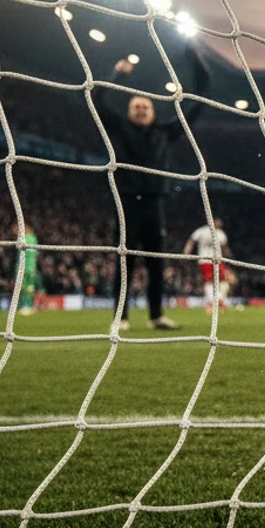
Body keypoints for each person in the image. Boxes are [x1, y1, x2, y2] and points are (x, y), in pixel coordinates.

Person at [94, 45, 209, 330]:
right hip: (128, 202)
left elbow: (200, 98)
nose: (141, 110)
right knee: (125, 261)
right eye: (136, 107)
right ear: (130, 111)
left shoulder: (165, 132)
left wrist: (195, 59)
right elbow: (96, 98)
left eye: (146, 106)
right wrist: (117, 75)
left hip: (156, 203)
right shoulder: (120, 128)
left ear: (154, 111)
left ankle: (156, 316)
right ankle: (120, 318)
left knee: (156, 263)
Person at [183, 217, 231, 314]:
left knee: (220, 281)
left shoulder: (217, 233)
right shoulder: (206, 231)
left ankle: (218, 301)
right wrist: (186, 252)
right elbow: (191, 241)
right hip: (207, 260)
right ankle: (214, 302)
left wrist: (186, 251)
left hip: (216, 260)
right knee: (210, 281)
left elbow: (191, 240)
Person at [16, 224, 40, 316]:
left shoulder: (23, 239)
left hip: (23, 266)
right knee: (29, 287)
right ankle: (28, 305)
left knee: (23, 287)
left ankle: (25, 305)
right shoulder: (34, 239)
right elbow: (36, 254)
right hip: (30, 267)